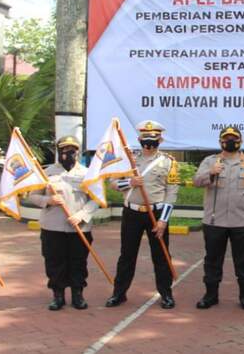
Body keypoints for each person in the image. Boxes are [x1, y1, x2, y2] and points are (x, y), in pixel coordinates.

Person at [106, 121, 180, 309]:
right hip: (132, 212)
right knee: (127, 256)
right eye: (145, 138)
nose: (149, 142)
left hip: (155, 213)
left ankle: (166, 294)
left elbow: (171, 193)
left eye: (153, 139)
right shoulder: (128, 159)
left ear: (160, 140)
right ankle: (119, 293)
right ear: (139, 139)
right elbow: (113, 183)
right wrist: (129, 183)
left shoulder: (168, 162)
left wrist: (163, 220)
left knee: (161, 256)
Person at [192, 126, 244, 310]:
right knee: (212, 260)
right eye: (227, 138)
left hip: (243, 221)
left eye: (234, 138)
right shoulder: (210, 161)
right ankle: (210, 295)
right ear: (220, 142)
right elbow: (196, 182)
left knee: (243, 261)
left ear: (241, 141)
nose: (230, 141)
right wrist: (210, 172)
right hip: (214, 221)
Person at [28, 136, 99, 310]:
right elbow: (32, 196)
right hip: (53, 227)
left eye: (72, 150)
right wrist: (48, 200)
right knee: (54, 261)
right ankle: (57, 295)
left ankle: (77, 294)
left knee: (78, 262)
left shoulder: (87, 174)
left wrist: (82, 215)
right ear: (58, 152)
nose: (68, 154)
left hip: (79, 227)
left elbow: (96, 200)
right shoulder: (46, 173)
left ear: (78, 152)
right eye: (64, 150)